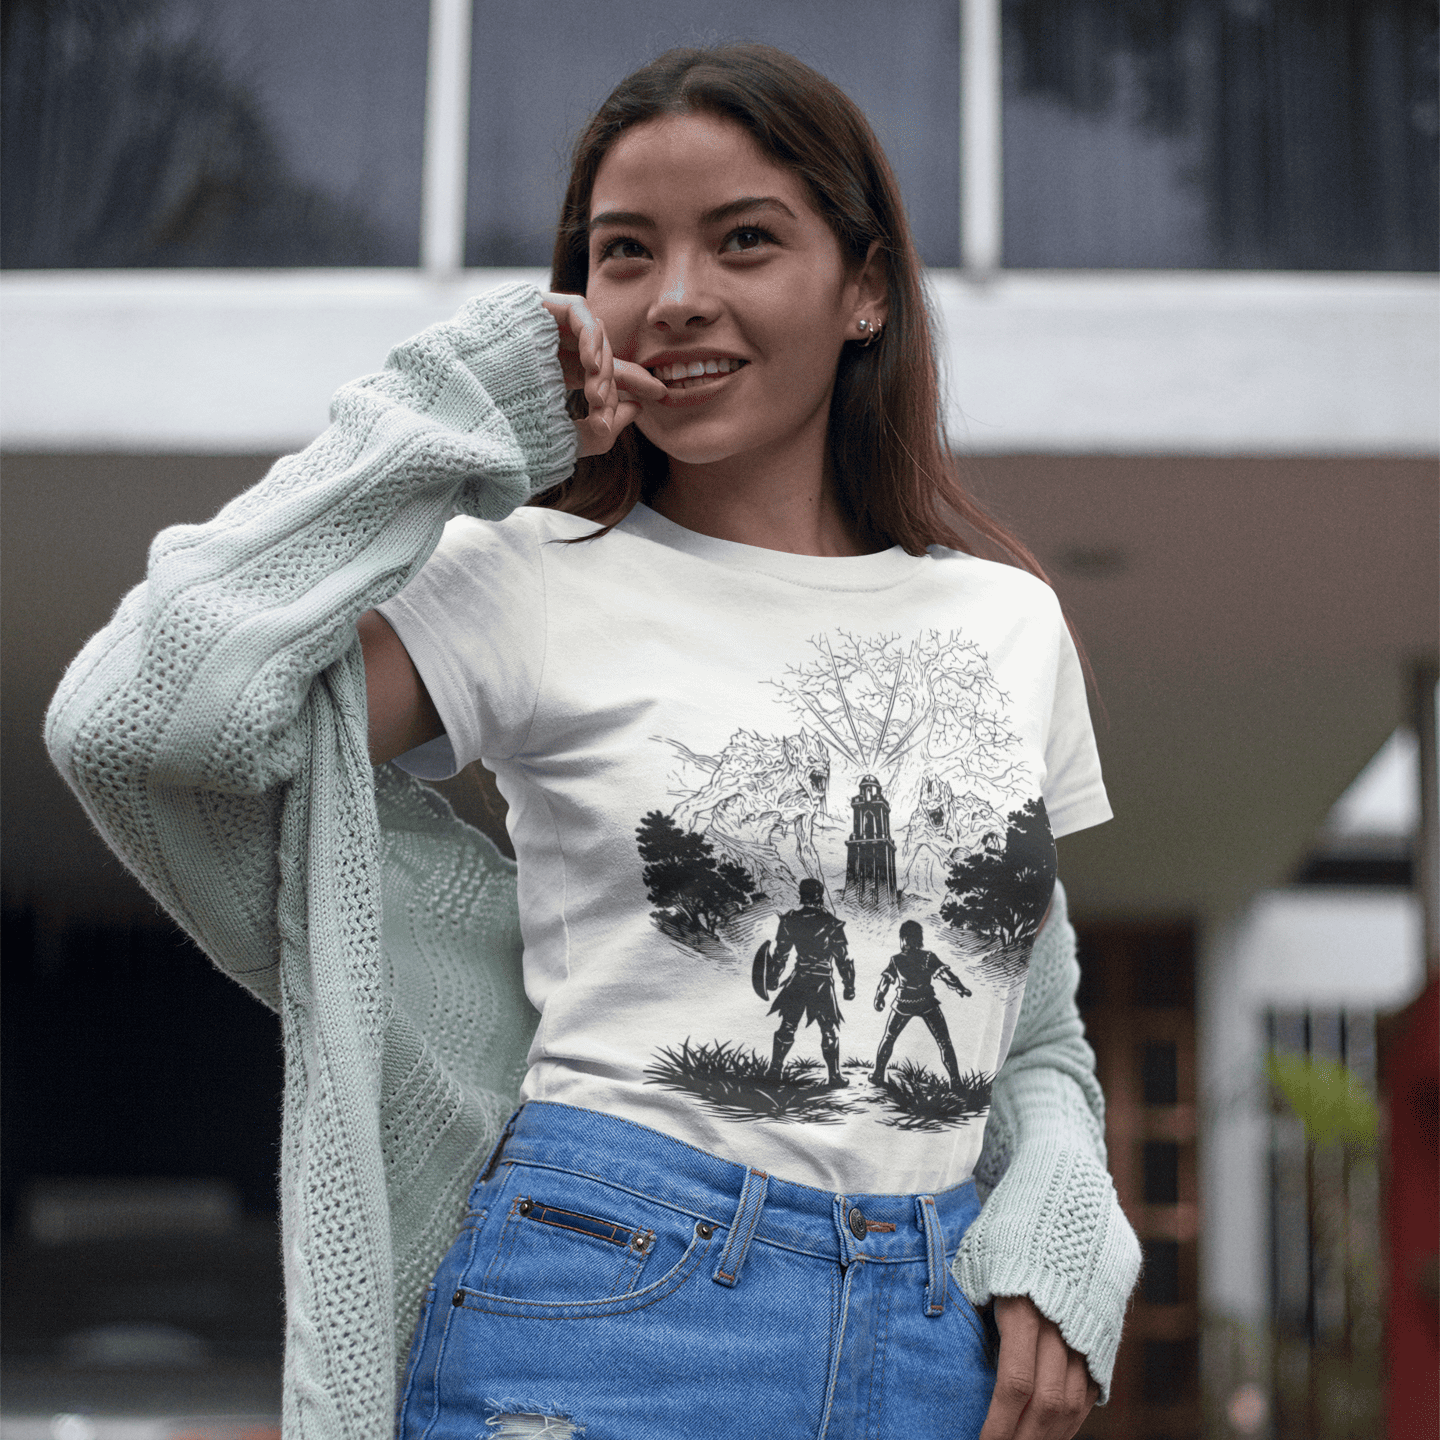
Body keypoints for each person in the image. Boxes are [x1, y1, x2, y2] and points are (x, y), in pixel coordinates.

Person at [47, 44, 1139, 1440]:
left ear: (866, 288)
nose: (678, 297)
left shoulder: (1009, 622)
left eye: (745, 239)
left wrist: (1060, 1228)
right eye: (626, 253)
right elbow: (139, 718)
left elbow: (1033, 1030)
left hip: (934, 1347)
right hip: (608, 1300)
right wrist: (455, 415)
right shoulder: (530, 575)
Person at [764, 877, 855, 1087]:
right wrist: (849, 986)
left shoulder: (789, 920)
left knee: (787, 1025)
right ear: (820, 896)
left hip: (799, 978)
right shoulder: (831, 922)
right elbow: (843, 958)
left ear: (801, 895)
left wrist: (773, 978)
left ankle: (774, 1070)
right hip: (822, 981)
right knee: (828, 1029)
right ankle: (834, 1076)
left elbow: (780, 954)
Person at [871, 919, 973, 1090]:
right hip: (927, 1002)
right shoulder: (927, 957)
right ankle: (956, 1082)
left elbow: (885, 982)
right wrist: (960, 987)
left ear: (902, 938)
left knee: (889, 1038)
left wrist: (879, 998)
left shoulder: (896, 959)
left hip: (903, 1003)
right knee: (944, 1042)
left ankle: (878, 1075)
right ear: (919, 938)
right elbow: (947, 976)